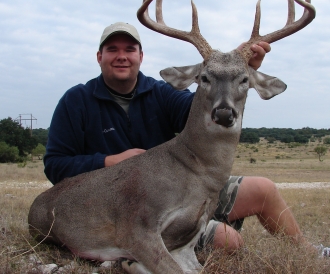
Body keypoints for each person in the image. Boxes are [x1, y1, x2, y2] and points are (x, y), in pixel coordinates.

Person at [44, 22, 329, 258]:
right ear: (99, 57)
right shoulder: (76, 102)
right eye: (112, 50)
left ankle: (310, 253)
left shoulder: (160, 93)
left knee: (263, 190)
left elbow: (205, 110)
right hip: (130, 208)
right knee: (227, 241)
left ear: (140, 57)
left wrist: (235, 73)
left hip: (188, 188)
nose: (122, 56)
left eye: (129, 49)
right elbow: (55, 166)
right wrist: (111, 161)